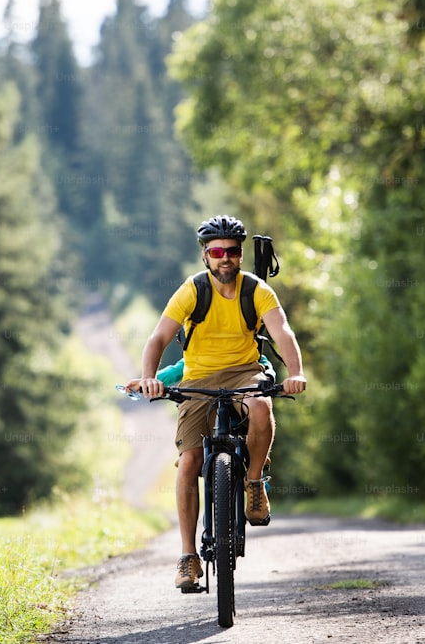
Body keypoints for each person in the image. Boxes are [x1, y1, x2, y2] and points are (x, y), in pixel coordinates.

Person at [124, 214, 307, 591]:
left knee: (260, 406)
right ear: (205, 255)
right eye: (217, 251)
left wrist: (297, 372)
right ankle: (188, 557)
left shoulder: (256, 291)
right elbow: (158, 338)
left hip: (245, 372)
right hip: (198, 379)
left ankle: (254, 484)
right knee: (190, 460)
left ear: (241, 255)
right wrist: (148, 376)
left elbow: (282, 333)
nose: (225, 258)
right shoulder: (192, 291)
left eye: (233, 251)